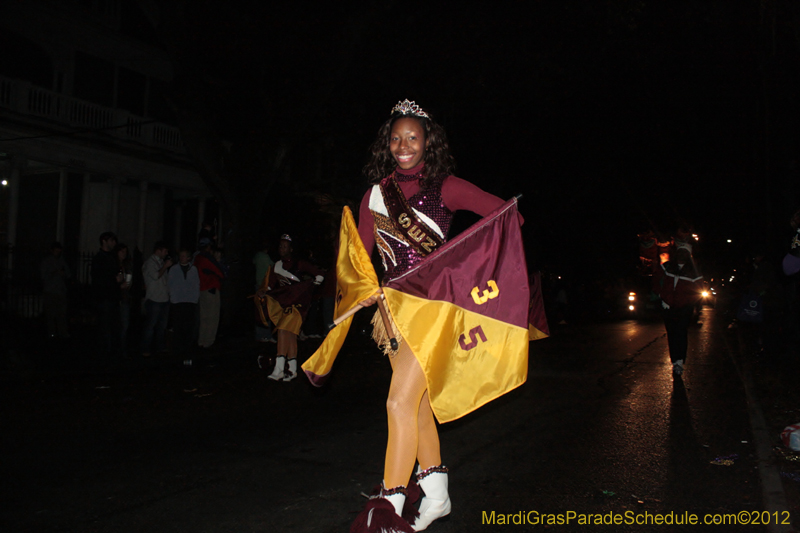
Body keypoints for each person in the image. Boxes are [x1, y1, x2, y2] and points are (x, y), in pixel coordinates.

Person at [351, 100, 517, 532]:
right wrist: (365, 292)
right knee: (418, 408)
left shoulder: (446, 187)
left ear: (428, 141)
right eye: (396, 138)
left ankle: (387, 507)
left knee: (398, 401)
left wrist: (462, 268)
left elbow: (504, 215)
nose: (404, 145)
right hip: (392, 315)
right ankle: (438, 495)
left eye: (413, 137)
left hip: (434, 312)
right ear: (387, 145)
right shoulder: (374, 194)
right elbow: (361, 257)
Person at [255, 234, 324, 381]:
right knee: (291, 335)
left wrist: (312, 286)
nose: (282, 248)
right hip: (284, 305)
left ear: (291, 249)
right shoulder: (276, 266)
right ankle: (292, 370)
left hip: (298, 305)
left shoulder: (299, 264)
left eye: (285, 246)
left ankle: (279, 368)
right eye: (280, 246)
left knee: (282, 330)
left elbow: (319, 274)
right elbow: (270, 285)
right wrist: (263, 291)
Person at [652, 245, 703, 377]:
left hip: (684, 308)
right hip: (667, 307)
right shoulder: (667, 267)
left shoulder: (693, 271)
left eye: (685, 252)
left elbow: (698, 290)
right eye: (680, 252)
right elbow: (656, 281)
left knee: (681, 333)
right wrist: (662, 297)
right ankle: (675, 361)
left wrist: (690, 305)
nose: (682, 255)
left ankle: (680, 361)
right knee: (672, 334)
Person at [91, 232, 123, 360]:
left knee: (113, 327)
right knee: (105, 328)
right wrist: (114, 280)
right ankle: (105, 354)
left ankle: (111, 353)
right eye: (112, 240)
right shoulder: (99, 259)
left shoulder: (112, 258)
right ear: (104, 241)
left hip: (113, 298)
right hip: (104, 299)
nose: (114, 243)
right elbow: (98, 280)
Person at [141, 241, 172, 356]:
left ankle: (160, 347)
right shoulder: (150, 263)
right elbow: (155, 276)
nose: (166, 253)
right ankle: (145, 349)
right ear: (158, 250)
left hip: (164, 299)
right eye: (165, 251)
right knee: (151, 325)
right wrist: (165, 266)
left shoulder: (161, 262)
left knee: (162, 326)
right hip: (154, 300)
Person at [168, 248, 200, 360]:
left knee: (188, 327)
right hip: (178, 302)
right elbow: (170, 284)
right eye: (180, 256)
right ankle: (177, 350)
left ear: (189, 258)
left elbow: (196, 285)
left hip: (190, 302)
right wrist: (173, 298)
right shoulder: (173, 269)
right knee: (178, 327)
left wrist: (195, 299)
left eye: (184, 256)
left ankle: (187, 350)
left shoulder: (193, 269)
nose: (182, 258)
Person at [193, 238, 225, 348]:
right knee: (213, 316)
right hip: (211, 289)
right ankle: (209, 341)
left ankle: (202, 340)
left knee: (204, 316)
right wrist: (218, 260)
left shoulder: (197, 257)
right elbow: (221, 271)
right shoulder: (207, 258)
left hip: (202, 289)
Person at [40, 241, 71, 339]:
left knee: (61, 313)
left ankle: (62, 332)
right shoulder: (46, 261)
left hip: (60, 291)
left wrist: (63, 274)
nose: (58, 253)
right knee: (50, 313)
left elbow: (69, 274)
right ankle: (52, 332)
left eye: (59, 251)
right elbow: (43, 276)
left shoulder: (62, 261)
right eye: (56, 251)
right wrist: (54, 272)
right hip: (50, 291)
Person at [253, 239, 275, 343]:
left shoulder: (257, 256)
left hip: (258, 285)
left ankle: (260, 335)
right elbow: (273, 266)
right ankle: (266, 335)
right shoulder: (266, 258)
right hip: (264, 286)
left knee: (259, 311)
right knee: (266, 311)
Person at [114, 243, 134, 356]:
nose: (124, 254)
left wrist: (128, 284)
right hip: (117, 298)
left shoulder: (126, 266)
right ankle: (119, 348)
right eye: (122, 252)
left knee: (125, 324)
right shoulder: (114, 265)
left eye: (125, 252)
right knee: (119, 324)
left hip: (125, 297)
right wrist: (119, 285)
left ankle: (122, 347)